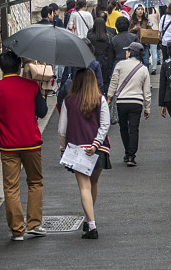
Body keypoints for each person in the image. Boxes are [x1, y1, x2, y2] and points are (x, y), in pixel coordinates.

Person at [0, 51, 49, 241]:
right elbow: (43, 111)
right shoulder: (31, 86)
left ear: (1, 67)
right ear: (19, 66)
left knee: (11, 188)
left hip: (8, 145)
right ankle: (34, 223)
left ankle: (17, 230)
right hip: (30, 142)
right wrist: (41, 92)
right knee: (35, 182)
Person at [58, 68, 111, 239]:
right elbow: (105, 124)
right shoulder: (100, 99)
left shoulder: (69, 101)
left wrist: (62, 148)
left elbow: (62, 130)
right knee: (93, 184)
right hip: (99, 149)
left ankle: (92, 225)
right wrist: (96, 144)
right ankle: (89, 221)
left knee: (84, 187)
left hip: (78, 149)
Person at [108, 41, 151, 166]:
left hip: (121, 101)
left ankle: (127, 151)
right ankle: (131, 156)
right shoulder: (143, 69)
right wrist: (147, 108)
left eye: (127, 50)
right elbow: (147, 91)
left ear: (130, 52)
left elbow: (114, 82)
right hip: (136, 102)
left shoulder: (120, 64)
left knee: (123, 128)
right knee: (134, 129)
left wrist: (109, 97)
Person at [58, 39, 104, 109]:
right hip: (90, 102)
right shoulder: (95, 65)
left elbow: (64, 83)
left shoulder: (70, 64)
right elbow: (99, 85)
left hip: (72, 103)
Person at [88, 17, 115, 94]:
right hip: (105, 62)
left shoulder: (90, 37)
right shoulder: (109, 37)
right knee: (104, 82)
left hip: (93, 60)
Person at [129, 5, 153, 72]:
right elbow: (128, 32)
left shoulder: (145, 20)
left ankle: (146, 76)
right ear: (135, 11)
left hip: (144, 44)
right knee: (135, 62)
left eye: (142, 9)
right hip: (135, 44)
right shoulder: (132, 21)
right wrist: (134, 29)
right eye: (138, 9)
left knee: (146, 62)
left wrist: (149, 27)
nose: (140, 11)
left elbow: (150, 33)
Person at [146, 5, 161, 74]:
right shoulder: (156, 10)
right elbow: (159, 22)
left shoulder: (145, 11)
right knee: (154, 51)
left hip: (146, 32)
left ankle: (146, 67)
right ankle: (154, 68)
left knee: (146, 50)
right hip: (155, 31)